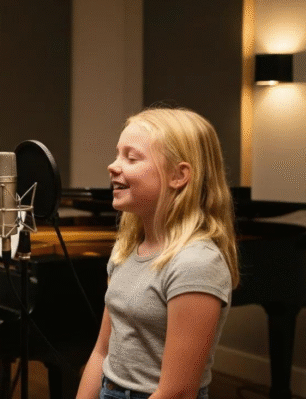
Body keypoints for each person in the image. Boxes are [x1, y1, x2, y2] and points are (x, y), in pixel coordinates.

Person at [75, 108, 240, 399]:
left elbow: (177, 392)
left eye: (131, 157)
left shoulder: (196, 263)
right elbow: (102, 352)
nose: (113, 166)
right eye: (117, 154)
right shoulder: (125, 248)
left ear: (179, 175)